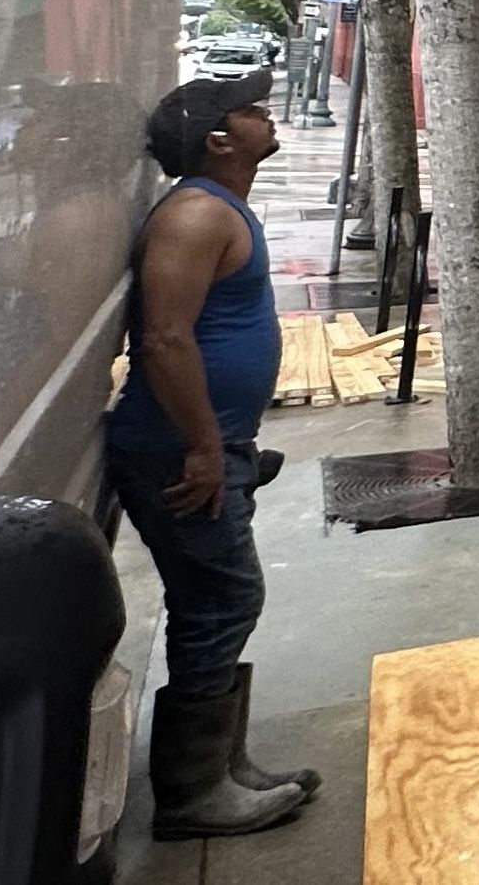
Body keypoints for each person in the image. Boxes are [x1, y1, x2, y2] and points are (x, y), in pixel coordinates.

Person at [109, 70, 319, 838]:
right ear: (220, 140)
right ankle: (193, 793)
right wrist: (201, 446)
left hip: (210, 444)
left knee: (220, 599)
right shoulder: (196, 214)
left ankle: (223, 765)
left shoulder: (220, 208)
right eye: (252, 110)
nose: (267, 115)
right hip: (177, 449)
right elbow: (164, 339)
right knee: (222, 600)